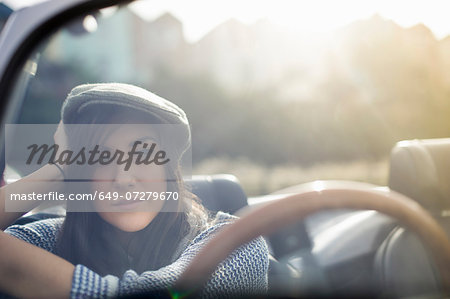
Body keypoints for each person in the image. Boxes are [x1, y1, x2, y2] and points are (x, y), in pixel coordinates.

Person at [0, 83, 269, 298]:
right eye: (99, 158)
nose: (123, 178)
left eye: (144, 153)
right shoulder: (48, 239)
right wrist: (58, 169)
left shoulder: (237, 244)